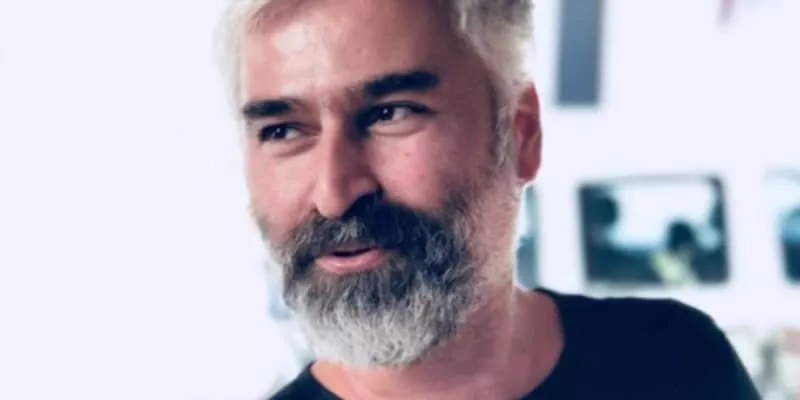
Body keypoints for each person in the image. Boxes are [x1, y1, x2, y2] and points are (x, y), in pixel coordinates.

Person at [217, 0, 760, 398]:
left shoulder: (678, 363)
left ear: (520, 136)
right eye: (283, 131)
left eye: (391, 113)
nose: (334, 194)